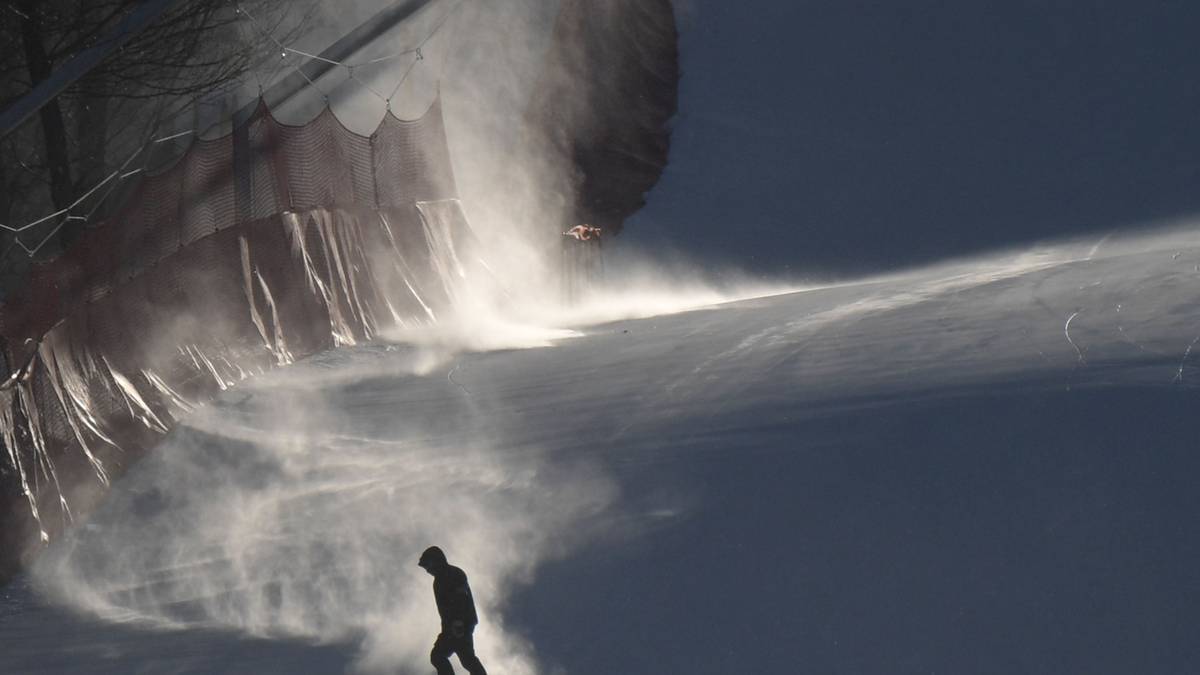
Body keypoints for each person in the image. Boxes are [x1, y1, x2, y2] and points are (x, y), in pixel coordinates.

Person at [418, 546, 488, 675]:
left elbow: (461, 598)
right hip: (451, 626)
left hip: (460, 624)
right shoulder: (439, 580)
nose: (427, 570)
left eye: (428, 565)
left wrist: (459, 622)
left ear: (436, 561)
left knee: (462, 658)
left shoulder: (453, 574)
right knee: (444, 656)